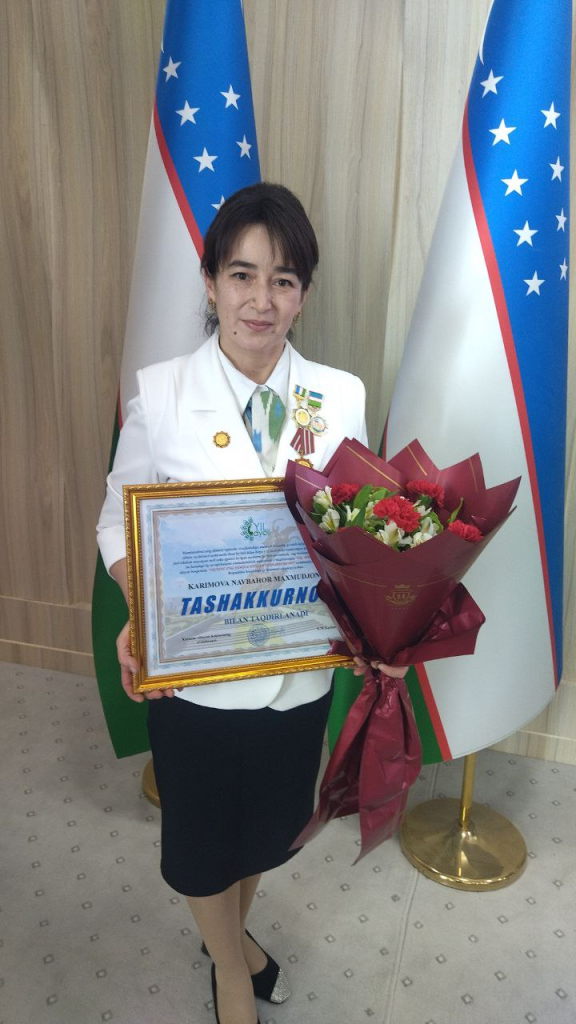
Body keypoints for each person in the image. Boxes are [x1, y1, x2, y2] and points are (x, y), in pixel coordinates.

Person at [96, 182, 404, 1024]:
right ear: (209, 282)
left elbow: (357, 536)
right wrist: (138, 608)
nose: (260, 301)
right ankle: (233, 970)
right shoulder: (158, 394)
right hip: (195, 675)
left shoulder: (340, 396)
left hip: (296, 672)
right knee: (200, 849)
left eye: (283, 280)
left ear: (303, 293)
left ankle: (233, 938)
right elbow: (117, 523)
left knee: (265, 833)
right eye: (242, 275)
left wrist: (379, 616)